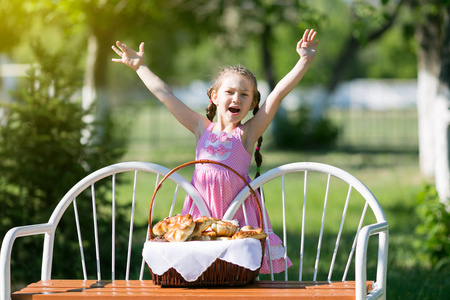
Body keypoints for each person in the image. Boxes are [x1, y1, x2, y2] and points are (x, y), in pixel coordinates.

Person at [112, 29, 318, 273]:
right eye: (230, 92)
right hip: (202, 210)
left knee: (238, 268)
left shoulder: (247, 134)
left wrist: (304, 61)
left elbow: (278, 94)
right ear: (214, 96)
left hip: (239, 213)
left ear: (253, 104)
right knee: (203, 267)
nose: (237, 99)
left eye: (244, 95)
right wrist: (140, 67)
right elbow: (166, 95)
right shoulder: (201, 127)